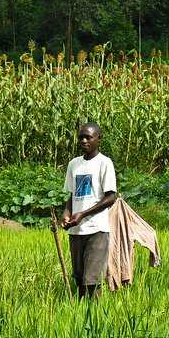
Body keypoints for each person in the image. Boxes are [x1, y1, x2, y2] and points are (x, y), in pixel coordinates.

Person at [61, 122, 116, 299]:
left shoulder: (104, 163)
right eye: (81, 137)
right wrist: (67, 213)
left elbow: (110, 197)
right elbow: (72, 195)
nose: (84, 140)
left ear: (98, 138)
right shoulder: (73, 164)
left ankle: (95, 318)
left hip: (96, 229)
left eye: (88, 137)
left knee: (92, 280)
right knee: (79, 279)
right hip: (76, 230)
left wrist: (83, 214)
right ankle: (79, 317)